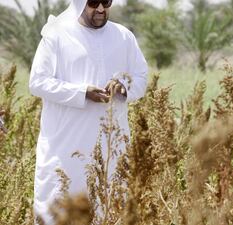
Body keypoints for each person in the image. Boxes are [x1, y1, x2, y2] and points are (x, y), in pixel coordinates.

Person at [29, 0, 148, 223]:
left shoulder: (124, 36)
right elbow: (37, 82)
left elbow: (141, 76)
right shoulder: (57, 35)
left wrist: (123, 87)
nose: (101, 8)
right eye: (94, 2)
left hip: (111, 146)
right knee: (60, 208)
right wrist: (82, 92)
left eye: (107, 1)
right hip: (65, 149)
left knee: (110, 207)